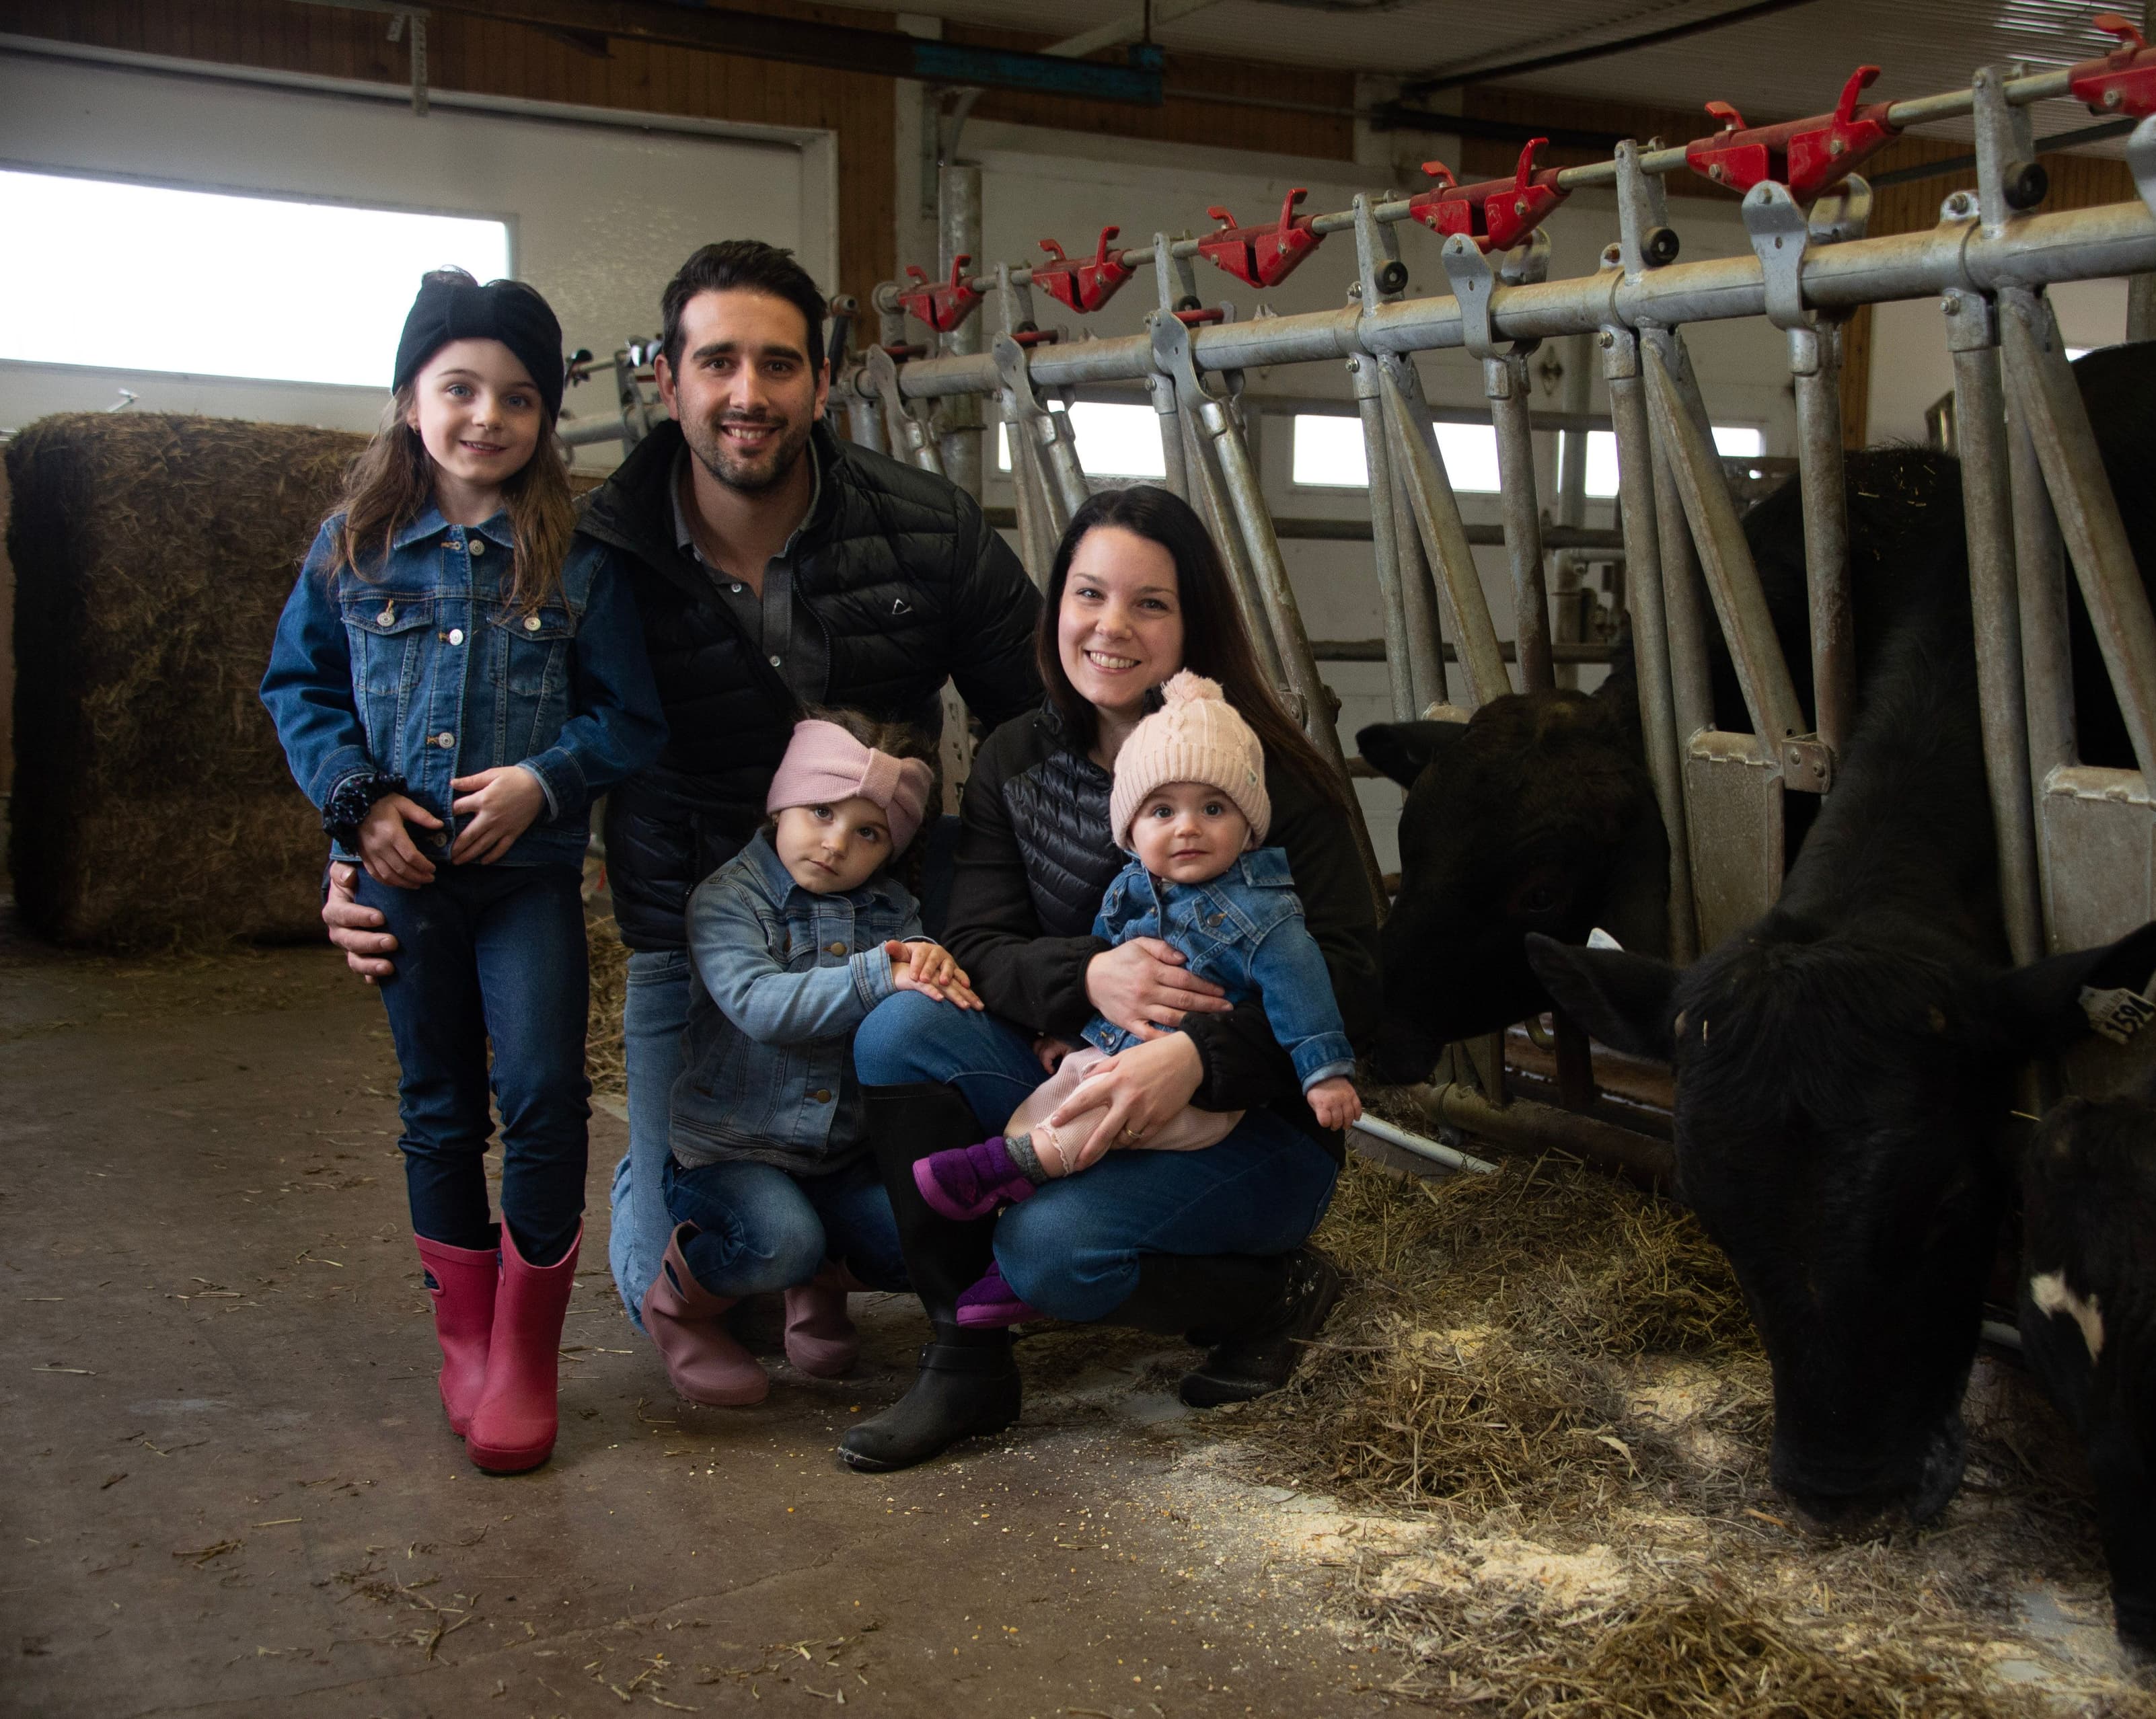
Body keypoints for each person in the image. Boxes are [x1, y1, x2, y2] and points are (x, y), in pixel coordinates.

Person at [315, 240, 1044, 1337]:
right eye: (718, 363)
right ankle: (681, 1184)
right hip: (686, 945)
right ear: (670, 379)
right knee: (689, 1268)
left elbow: (1034, 724)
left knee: (941, 1238)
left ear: (823, 378)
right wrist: (347, 844)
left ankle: (821, 1229)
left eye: (779, 364)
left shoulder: (927, 528)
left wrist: (1006, 921)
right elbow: (418, 700)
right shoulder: (588, 549)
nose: (747, 394)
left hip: (877, 918)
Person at [838, 484, 1380, 1474]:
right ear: (1056, 609)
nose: (1111, 628)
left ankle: (1277, 1291)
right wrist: (1092, 977)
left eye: (1150, 604)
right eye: (1089, 595)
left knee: (1051, 1253)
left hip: (1252, 1126)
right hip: (1085, 1059)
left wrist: (1198, 1057)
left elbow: (1357, 978)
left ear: (1196, 622)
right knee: (896, 1033)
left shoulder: (1272, 775)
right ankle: (966, 1361)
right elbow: (981, 939)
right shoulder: (1018, 757)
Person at [261, 271, 667, 1474]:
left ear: (545, 419)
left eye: (520, 396)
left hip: (526, 878)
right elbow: (301, 689)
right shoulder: (354, 550)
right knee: (437, 1105)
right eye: (460, 388)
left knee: (543, 1091)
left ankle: (527, 1351)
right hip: (406, 875)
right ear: (407, 401)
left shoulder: (579, 560)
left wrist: (548, 778)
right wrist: (356, 800)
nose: (488, 416)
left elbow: (628, 719)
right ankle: (466, 1347)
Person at [911, 669, 1364, 1333]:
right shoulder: (1130, 889)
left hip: (1212, 1099)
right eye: (1162, 811)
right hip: (1116, 1048)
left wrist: (1325, 1073)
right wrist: (1073, 1022)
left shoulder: (1267, 916)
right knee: (1058, 1094)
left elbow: (1308, 995)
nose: (1188, 829)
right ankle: (1010, 1246)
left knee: (1097, 1123)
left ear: (1249, 826)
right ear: (1130, 828)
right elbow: (1098, 957)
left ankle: (1005, 1182)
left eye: (1213, 809)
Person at [644, 712, 979, 1405]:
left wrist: (934, 970)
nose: (835, 844)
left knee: (915, 1238)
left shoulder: (895, 912)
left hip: (838, 1157)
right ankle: (680, 1306)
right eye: (821, 811)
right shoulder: (728, 899)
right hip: (731, 1152)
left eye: (869, 832)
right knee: (778, 1240)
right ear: (781, 801)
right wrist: (878, 977)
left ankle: (819, 1280)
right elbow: (762, 1007)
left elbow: (910, 1004)